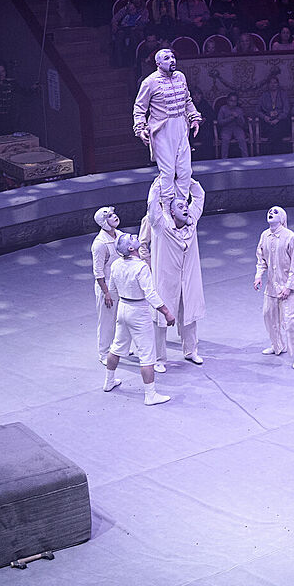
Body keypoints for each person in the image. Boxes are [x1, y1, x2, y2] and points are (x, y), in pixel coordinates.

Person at [139, 177, 206, 370]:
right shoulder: (161, 227)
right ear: (171, 211)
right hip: (166, 280)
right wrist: (160, 183)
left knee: (189, 315)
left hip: (188, 279)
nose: (185, 208)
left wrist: (186, 179)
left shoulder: (192, 224)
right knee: (160, 320)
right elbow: (153, 206)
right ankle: (159, 359)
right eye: (180, 206)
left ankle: (191, 351)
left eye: (186, 205)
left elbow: (199, 196)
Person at [103, 232, 176, 405]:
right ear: (130, 248)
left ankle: (108, 381)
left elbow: (112, 289)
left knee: (116, 347)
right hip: (138, 311)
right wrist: (166, 312)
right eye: (132, 238)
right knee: (147, 354)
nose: (135, 236)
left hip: (123, 308)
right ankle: (150, 395)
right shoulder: (141, 267)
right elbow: (150, 294)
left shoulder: (116, 264)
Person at [133, 48, 203, 201]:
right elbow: (139, 107)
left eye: (172, 57)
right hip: (162, 130)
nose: (172, 60)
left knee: (185, 170)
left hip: (181, 127)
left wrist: (194, 117)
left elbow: (187, 100)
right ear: (158, 63)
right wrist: (140, 128)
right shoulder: (150, 82)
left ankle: (181, 204)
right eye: (166, 58)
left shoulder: (180, 77)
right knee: (168, 172)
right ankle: (167, 205)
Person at [254, 205, 294, 368]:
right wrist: (258, 275)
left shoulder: (290, 237)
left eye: (275, 212)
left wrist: (288, 287)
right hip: (271, 287)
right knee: (268, 316)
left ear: (282, 218)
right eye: (269, 211)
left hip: (287, 287)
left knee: (289, 320)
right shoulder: (264, 236)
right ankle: (277, 345)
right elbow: (261, 258)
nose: (271, 213)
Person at [90, 206, 122, 366]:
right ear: (103, 222)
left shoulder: (120, 236)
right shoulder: (100, 244)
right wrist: (106, 293)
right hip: (107, 286)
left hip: (121, 283)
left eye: (113, 214)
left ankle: (118, 347)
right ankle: (104, 352)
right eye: (110, 216)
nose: (114, 217)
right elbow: (98, 272)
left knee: (121, 318)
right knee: (107, 321)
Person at [217, 93, 251, 158]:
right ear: (227, 101)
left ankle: (245, 157)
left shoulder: (239, 110)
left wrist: (238, 117)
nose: (233, 103)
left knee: (241, 139)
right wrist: (230, 118)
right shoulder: (223, 109)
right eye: (231, 101)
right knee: (225, 139)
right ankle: (224, 159)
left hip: (237, 128)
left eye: (235, 101)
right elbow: (220, 122)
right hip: (226, 128)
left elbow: (243, 124)